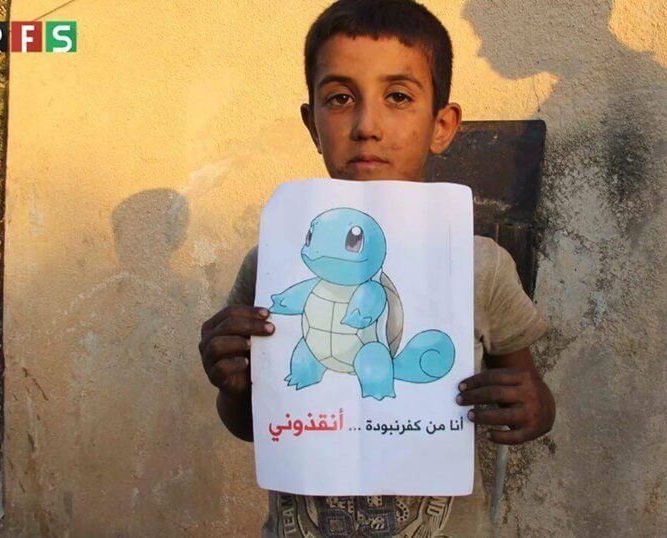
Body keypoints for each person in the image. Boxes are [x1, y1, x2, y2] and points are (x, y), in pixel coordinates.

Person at [198, 0, 555, 535]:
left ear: (442, 125)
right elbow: (248, 424)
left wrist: (530, 408)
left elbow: (533, 395)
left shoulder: (480, 264)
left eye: (398, 97)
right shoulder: (272, 262)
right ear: (313, 124)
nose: (367, 126)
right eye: (340, 98)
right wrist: (230, 381)